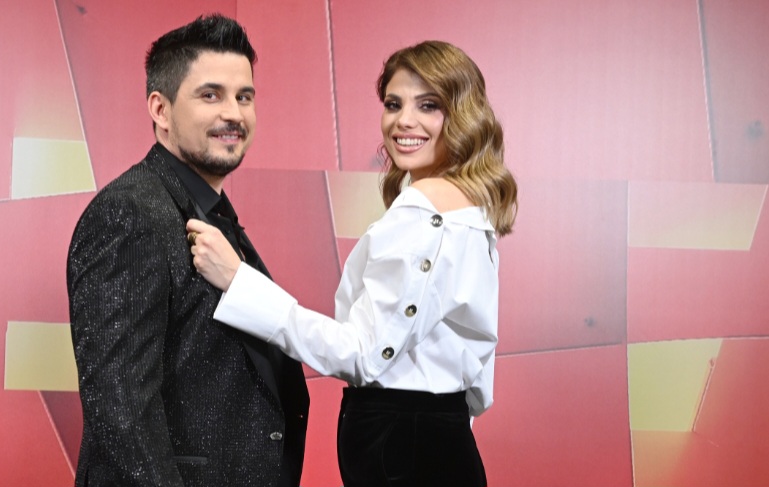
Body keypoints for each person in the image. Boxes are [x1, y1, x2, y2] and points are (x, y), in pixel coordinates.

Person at [187, 40, 517, 487]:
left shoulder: (428, 211)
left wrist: (238, 283)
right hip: (432, 435)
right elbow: (474, 370)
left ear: (463, 115)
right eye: (393, 104)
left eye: (428, 105)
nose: (404, 121)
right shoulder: (469, 209)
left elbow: (362, 354)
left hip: (405, 442)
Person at [66, 14, 309, 487]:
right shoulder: (129, 213)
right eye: (210, 95)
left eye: (244, 97)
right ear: (161, 109)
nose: (233, 114)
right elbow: (120, 408)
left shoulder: (210, 212)